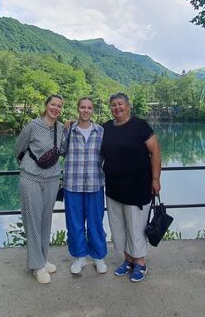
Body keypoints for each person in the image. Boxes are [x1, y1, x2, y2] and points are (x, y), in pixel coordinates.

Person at [101, 92, 162, 283]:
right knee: (118, 225)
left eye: (120, 104)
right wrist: (71, 124)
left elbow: (155, 152)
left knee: (136, 226)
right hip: (113, 187)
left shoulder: (140, 126)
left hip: (137, 186)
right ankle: (128, 260)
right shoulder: (105, 128)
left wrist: (156, 179)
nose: (117, 107)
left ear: (128, 106)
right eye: (113, 104)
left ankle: (140, 263)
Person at [14, 94, 67, 284]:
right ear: (46, 105)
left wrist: (70, 130)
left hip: (52, 179)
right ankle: (36, 266)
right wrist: (29, 165)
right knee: (33, 221)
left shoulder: (61, 128)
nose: (55, 108)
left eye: (59, 106)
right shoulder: (33, 126)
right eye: (53, 104)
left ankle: (43, 259)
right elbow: (18, 149)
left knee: (45, 220)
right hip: (31, 178)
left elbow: (63, 151)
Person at [63, 97, 107, 274]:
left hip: (95, 184)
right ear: (78, 109)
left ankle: (98, 256)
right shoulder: (69, 130)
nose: (86, 110)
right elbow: (60, 151)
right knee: (75, 223)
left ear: (92, 110)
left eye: (89, 108)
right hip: (72, 184)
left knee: (96, 222)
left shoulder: (101, 131)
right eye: (83, 107)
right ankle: (80, 257)